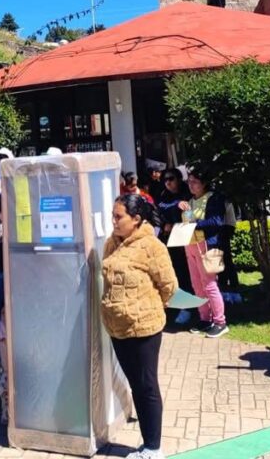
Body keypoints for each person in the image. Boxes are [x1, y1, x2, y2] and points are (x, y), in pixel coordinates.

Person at [101, 193, 177, 459]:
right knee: (135, 384)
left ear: (136, 219)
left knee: (146, 386)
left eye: (118, 216)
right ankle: (147, 444)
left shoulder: (152, 247)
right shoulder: (112, 243)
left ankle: (153, 448)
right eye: (113, 216)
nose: (114, 221)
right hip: (117, 328)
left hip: (144, 329)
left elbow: (169, 286)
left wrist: (145, 307)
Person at [180, 169, 228, 338]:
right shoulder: (190, 200)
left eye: (194, 181)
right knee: (197, 284)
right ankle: (205, 319)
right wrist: (185, 211)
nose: (191, 185)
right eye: (189, 181)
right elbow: (188, 220)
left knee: (210, 284)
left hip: (207, 246)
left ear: (204, 183)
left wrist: (194, 224)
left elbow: (216, 221)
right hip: (191, 245)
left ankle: (220, 322)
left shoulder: (213, 198)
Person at [156, 168, 194, 326]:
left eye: (171, 179)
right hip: (172, 240)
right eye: (165, 180)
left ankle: (194, 308)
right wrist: (166, 223)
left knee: (192, 274)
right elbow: (160, 208)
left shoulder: (188, 191)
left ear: (178, 179)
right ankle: (182, 306)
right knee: (177, 273)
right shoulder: (164, 195)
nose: (168, 182)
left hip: (190, 237)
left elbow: (192, 211)